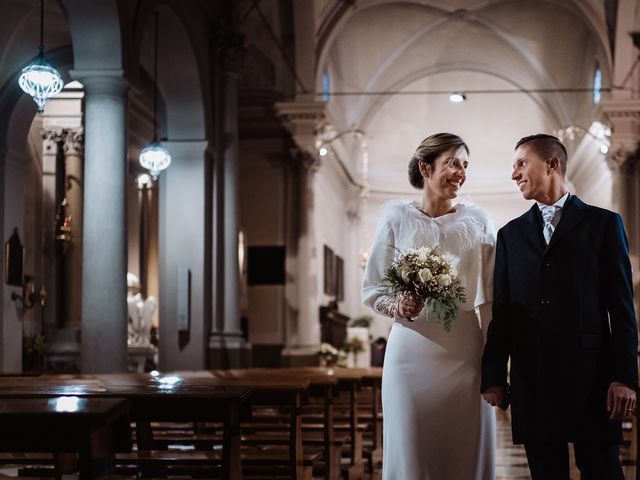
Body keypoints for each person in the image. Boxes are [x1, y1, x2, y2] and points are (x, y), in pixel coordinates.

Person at [481, 134, 638, 479]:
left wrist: (623, 376)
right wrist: (494, 375)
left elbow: (622, 308)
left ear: (552, 164)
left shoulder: (604, 224)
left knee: (603, 471)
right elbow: (503, 311)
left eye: (521, 163)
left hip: (594, 378)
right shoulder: (510, 236)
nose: (514, 174)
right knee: (546, 474)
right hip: (532, 378)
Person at [362, 133, 496, 479]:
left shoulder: (478, 222)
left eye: (465, 165)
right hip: (409, 354)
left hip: (464, 353)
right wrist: (398, 305)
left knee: (462, 450)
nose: (461, 172)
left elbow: (491, 297)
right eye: (453, 163)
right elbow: (373, 290)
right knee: (411, 448)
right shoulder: (395, 219)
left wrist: (495, 362)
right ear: (426, 167)